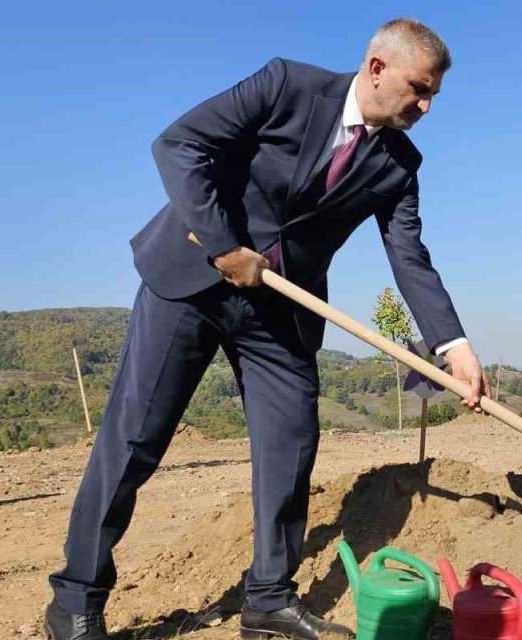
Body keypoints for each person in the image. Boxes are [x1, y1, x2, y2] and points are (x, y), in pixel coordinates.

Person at [44, 19, 487, 640]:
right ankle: (75, 599)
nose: (426, 104)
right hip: (193, 280)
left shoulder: (399, 163)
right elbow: (177, 145)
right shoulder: (286, 86)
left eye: (434, 93)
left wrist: (453, 346)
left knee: (290, 446)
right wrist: (226, 246)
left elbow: (408, 255)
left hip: (282, 309)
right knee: (135, 439)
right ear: (377, 67)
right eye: (420, 88)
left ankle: (269, 601)